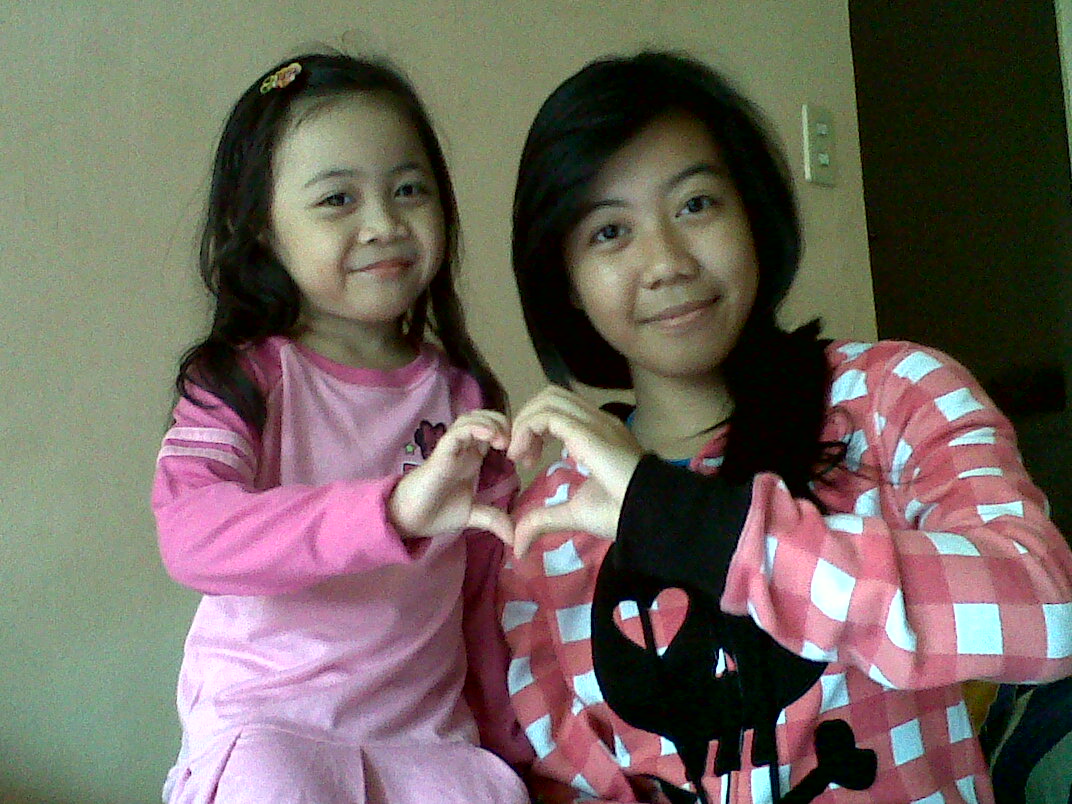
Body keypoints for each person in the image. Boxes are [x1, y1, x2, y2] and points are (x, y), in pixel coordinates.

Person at [499, 50, 1072, 804]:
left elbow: (1046, 612)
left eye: (696, 204)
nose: (666, 262)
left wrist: (697, 526)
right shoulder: (549, 520)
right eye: (609, 232)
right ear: (566, 282)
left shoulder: (893, 395)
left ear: (752, 214)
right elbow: (564, 775)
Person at [152, 52, 531, 803]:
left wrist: (518, 754)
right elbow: (190, 534)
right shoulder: (244, 380)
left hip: (428, 740)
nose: (384, 224)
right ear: (260, 230)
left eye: (409, 189)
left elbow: (486, 601)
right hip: (271, 729)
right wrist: (391, 510)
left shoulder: (465, 398)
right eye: (337, 200)